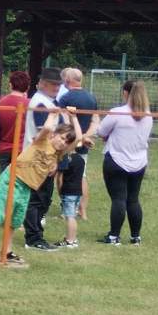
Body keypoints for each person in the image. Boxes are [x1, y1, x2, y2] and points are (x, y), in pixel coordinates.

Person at [0, 123, 79, 266]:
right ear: (54, 135)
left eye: (66, 142)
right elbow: (48, 128)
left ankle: (7, 251)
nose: (63, 143)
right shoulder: (42, 141)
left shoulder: (58, 155)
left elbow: (76, 140)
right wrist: (54, 113)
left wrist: (73, 118)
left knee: (15, 219)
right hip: (12, 179)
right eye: (61, 138)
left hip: (26, 187)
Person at [95, 80, 154, 245]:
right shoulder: (148, 116)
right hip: (139, 162)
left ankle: (114, 236)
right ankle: (136, 237)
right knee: (133, 199)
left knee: (119, 199)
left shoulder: (117, 112)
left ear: (126, 93)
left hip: (116, 160)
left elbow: (101, 131)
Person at [21, 67, 65, 252]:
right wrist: (53, 159)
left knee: (44, 199)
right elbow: (44, 134)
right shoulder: (41, 104)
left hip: (44, 157)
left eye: (58, 84)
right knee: (37, 200)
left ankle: (37, 235)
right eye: (53, 84)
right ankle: (33, 238)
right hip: (38, 158)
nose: (56, 87)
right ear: (43, 83)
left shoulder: (48, 102)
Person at [55, 68, 99, 248]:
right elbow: (95, 121)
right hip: (84, 143)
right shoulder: (91, 98)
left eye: (65, 79)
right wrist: (85, 137)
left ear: (69, 81)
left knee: (61, 174)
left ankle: (67, 209)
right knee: (82, 176)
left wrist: (74, 139)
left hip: (68, 143)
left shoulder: (64, 98)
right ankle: (83, 210)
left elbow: (61, 120)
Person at [0, 71, 30, 171]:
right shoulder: (29, 104)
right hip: (22, 149)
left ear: (10, 85)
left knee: (4, 181)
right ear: (27, 87)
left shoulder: (2, 102)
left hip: (4, 148)